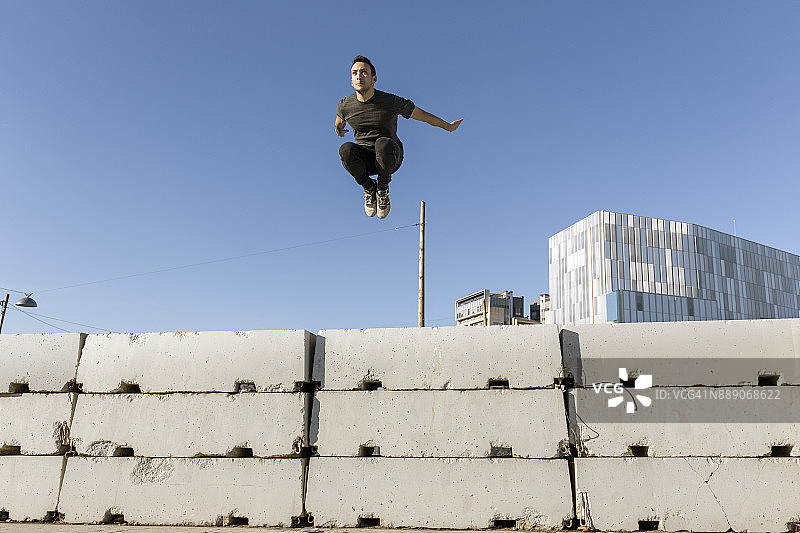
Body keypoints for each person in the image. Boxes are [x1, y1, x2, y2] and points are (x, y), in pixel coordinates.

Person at [335, 55, 462, 218]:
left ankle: (382, 190)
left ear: (374, 79)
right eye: (354, 73)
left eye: (364, 72)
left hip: (390, 156)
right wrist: (339, 130)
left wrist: (449, 127)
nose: (359, 76)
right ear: (351, 80)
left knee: (382, 143)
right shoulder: (345, 105)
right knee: (345, 149)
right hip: (365, 161)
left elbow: (422, 115)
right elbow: (339, 121)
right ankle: (369, 188)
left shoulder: (390, 101)